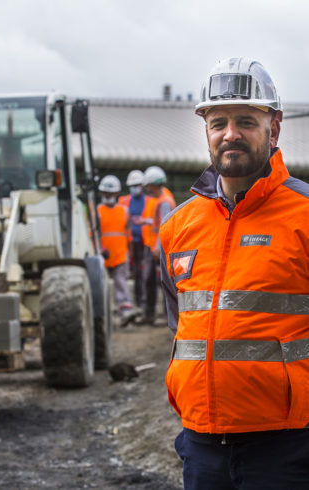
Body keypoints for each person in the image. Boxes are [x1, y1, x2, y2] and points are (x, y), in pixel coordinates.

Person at [159, 57, 309, 489]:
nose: (231, 134)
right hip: (202, 443)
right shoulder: (176, 228)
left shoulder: (304, 215)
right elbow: (180, 324)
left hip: (287, 447)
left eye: (246, 121)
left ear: (274, 128)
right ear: (206, 130)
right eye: (218, 121)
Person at [137, 166, 175, 324]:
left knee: (159, 282)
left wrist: (157, 248)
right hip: (157, 247)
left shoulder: (164, 201)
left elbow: (163, 227)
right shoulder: (163, 198)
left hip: (159, 248)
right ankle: (152, 314)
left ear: (154, 184)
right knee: (152, 281)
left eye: (148, 186)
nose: (147, 189)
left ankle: (161, 316)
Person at [97, 174, 136, 327]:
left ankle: (125, 310)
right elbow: (92, 233)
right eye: (106, 194)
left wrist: (130, 255)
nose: (108, 196)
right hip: (102, 254)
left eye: (111, 194)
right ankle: (102, 315)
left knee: (121, 282)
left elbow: (128, 234)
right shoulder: (97, 211)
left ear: (116, 194)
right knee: (101, 285)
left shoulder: (124, 211)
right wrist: (99, 249)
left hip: (120, 253)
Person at [119, 169, 152, 312]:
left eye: (137, 185)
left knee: (142, 273)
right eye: (132, 185)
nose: (135, 188)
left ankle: (142, 303)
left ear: (143, 186)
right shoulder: (124, 201)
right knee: (130, 274)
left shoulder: (149, 201)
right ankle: (133, 303)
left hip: (144, 243)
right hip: (128, 243)